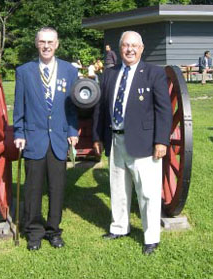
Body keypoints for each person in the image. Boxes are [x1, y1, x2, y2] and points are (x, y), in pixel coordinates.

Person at [92, 31, 172, 256]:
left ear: (142, 48)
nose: (130, 50)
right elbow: (100, 109)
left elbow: (163, 110)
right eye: (126, 45)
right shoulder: (109, 74)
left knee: (147, 192)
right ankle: (119, 227)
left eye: (134, 46)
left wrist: (161, 141)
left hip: (144, 142)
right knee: (118, 187)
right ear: (119, 48)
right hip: (115, 139)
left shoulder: (154, 73)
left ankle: (151, 237)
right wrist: (98, 137)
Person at [13, 27, 79, 251]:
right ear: (36, 44)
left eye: (50, 42)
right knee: (32, 189)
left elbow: (72, 108)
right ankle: (33, 232)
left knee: (57, 189)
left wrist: (72, 131)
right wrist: (19, 133)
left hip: (59, 139)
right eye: (42, 41)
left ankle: (53, 231)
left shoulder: (70, 71)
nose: (46, 46)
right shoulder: (24, 71)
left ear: (57, 44)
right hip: (34, 139)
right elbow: (19, 107)